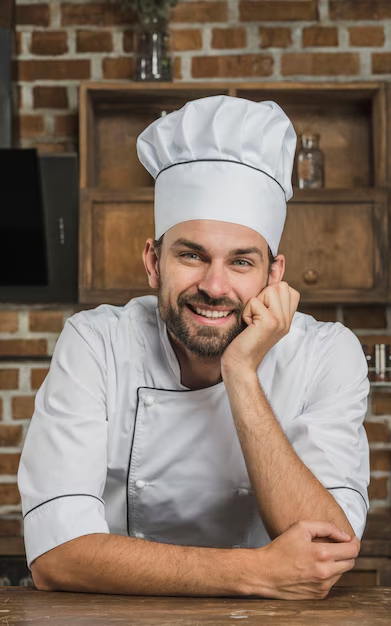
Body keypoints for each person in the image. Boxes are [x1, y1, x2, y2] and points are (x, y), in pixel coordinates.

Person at [18, 95, 369, 600]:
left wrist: (241, 371)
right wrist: (258, 573)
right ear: (153, 261)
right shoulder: (97, 344)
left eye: (242, 263)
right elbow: (56, 557)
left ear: (275, 275)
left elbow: (328, 550)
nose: (215, 285)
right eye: (191, 254)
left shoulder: (325, 354)